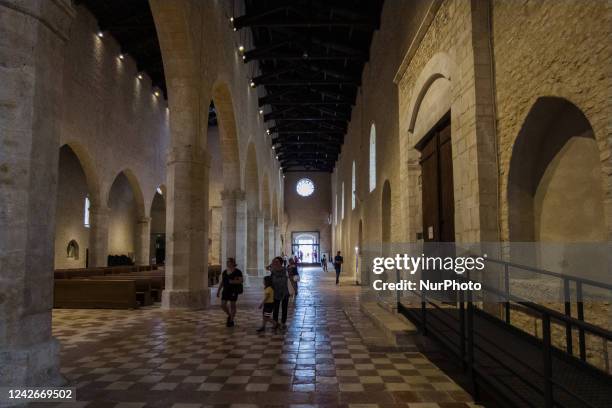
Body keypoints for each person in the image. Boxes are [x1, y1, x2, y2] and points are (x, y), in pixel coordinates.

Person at [216, 257, 244, 327]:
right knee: (223, 305)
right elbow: (222, 282)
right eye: (227, 262)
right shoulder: (225, 272)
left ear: (233, 263)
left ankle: (231, 320)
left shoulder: (238, 271)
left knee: (232, 305)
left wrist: (233, 281)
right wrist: (218, 290)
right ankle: (229, 315)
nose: (227, 263)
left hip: (233, 290)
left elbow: (241, 280)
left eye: (229, 262)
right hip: (226, 290)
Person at [270, 256, 289, 329]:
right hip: (276, 292)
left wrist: (275, 277)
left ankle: (283, 322)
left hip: (284, 291)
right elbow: (272, 281)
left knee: (284, 308)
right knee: (276, 308)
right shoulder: (273, 271)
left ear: (280, 262)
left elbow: (283, 280)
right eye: (274, 262)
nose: (275, 263)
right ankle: (275, 323)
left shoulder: (284, 270)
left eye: (277, 261)